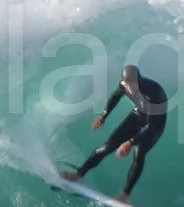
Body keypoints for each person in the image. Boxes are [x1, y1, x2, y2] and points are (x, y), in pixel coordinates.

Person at [72, 63, 169, 198]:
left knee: (139, 154)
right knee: (106, 147)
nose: (129, 88)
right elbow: (115, 97)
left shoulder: (153, 94)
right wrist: (104, 115)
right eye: (126, 84)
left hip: (154, 125)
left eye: (132, 85)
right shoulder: (124, 84)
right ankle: (78, 174)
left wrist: (130, 142)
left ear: (138, 81)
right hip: (136, 115)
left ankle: (124, 195)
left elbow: (150, 126)